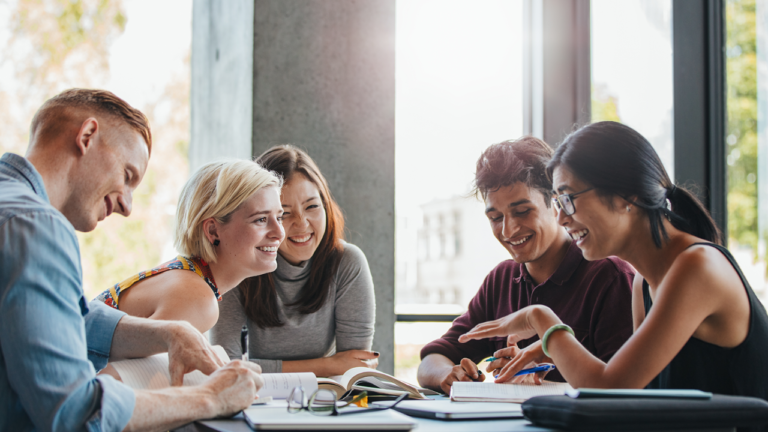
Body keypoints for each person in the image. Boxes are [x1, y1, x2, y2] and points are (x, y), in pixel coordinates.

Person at [0, 89, 264, 432]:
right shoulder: (36, 226)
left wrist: (171, 332)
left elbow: (58, 318)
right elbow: (75, 413)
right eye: (128, 176)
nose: (127, 206)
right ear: (87, 136)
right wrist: (212, 397)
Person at [459, 121, 768, 401]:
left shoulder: (697, 266)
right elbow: (635, 399)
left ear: (625, 196)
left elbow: (610, 387)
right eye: (556, 202)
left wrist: (541, 320)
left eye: (568, 198)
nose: (562, 217)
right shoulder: (642, 284)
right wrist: (552, 351)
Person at [417, 136, 635, 394]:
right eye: (496, 218)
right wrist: (447, 374)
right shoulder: (501, 280)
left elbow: (622, 390)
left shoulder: (609, 277)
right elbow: (433, 359)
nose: (508, 230)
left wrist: (543, 373)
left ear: (556, 204)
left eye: (522, 212)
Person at [211, 145, 378, 376]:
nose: (301, 224)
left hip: (325, 399)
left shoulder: (347, 262)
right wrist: (327, 365)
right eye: (284, 213)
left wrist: (336, 367)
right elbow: (225, 366)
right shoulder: (239, 262)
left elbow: (353, 366)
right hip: (258, 398)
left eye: (312, 206)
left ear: (326, 206)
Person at [94, 158, 285, 334]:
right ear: (212, 231)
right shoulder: (197, 299)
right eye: (260, 219)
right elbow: (114, 371)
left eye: (279, 217)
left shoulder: (189, 277)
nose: (279, 233)